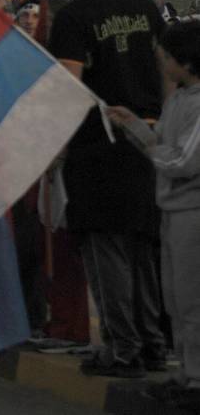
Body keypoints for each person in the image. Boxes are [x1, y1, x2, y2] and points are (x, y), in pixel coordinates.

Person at [49, 0, 167, 378]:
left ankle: (123, 348)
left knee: (106, 250)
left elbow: (68, 89)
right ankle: (152, 343)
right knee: (142, 247)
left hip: (98, 147)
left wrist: (55, 149)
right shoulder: (145, 7)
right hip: (147, 142)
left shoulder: (74, 17)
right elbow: (166, 71)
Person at [106, 21, 200, 404]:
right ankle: (186, 374)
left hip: (192, 212)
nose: (162, 63)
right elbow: (163, 139)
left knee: (192, 300)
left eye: (167, 57)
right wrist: (133, 125)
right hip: (173, 209)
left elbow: (184, 160)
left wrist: (150, 148)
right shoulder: (179, 99)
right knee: (175, 299)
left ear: (186, 62)